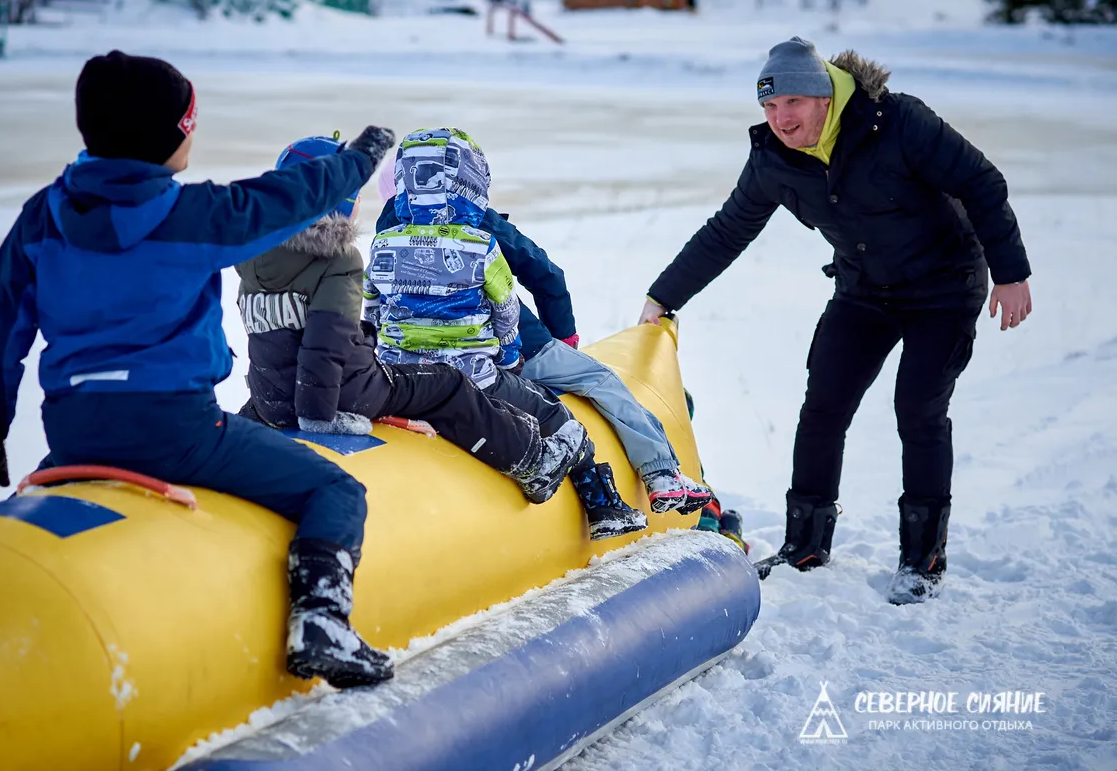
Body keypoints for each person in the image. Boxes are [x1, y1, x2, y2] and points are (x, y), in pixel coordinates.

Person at [0, 50, 398, 687]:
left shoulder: (41, 218)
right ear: (173, 134)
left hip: (76, 433)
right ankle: (322, 624)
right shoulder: (192, 216)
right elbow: (286, 198)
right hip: (180, 433)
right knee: (335, 490)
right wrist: (356, 161)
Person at [638, 37, 1033, 604]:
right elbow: (729, 229)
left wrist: (1011, 272)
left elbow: (982, 183)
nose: (780, 119)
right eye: (769, 108)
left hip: (944, 288)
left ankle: (923, 559)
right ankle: (805, 544)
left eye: (792, 103)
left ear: (825, 97)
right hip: (865, 289)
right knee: (823, 405)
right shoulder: (775, 159)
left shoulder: (898, 123)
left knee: (918, 409)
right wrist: (663, 296)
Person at [234, 135, 590, 506]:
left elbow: (277, 337)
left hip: (271, 394)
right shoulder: (337, 259)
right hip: (341, 392)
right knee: (447, 383)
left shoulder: (254, 257)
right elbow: (323, 347)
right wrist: (320, 417)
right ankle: (532, 462)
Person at [376, 153, 720, 517]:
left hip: (417, 368)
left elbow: (376, 302)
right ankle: (660, 473)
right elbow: (543, 272)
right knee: (600, 379)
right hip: (516, 350)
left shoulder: (387, 230)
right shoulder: (472, 217)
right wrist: (563, 338)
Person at [365, 127, 648, 541]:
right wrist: (511, 358)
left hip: (402, 380)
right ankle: (603, 506)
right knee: (557, 417)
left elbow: (372, 309)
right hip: (473, 376)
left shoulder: (383, 243)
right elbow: (505, 311)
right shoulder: (482, 246)